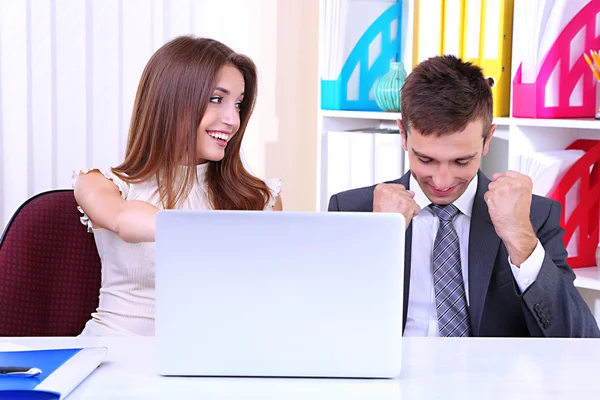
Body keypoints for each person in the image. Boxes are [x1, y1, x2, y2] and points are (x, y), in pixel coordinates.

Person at [328, 55, 599, 337]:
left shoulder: (532, 217)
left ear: (487, 140)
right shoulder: (351, 210)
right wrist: (377, 239)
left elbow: (580, 338)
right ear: (403, 136)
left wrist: (520, 239)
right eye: (426, 159)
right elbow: (329, 332)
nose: (442, 181)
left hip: (489, 379)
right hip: (392, 377)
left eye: (461, 161)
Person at [73, 36, 282, 336]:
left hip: (211, 361)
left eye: (237, 104)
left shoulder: (260, 197)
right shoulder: (103, 184)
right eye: (216, 99)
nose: (232, 119)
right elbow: (121, 219)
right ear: (171, 101)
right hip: (114, 354)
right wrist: (221, 232)